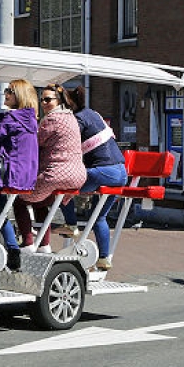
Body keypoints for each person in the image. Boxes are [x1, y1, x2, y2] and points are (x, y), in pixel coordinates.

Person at [59, 86, 127, 270]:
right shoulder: (93, 114)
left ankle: (71, 225)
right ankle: (104, 259)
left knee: (61, 185)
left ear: (68, 104)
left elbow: (67, 145)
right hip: (121, 172)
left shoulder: (77, 119)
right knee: (98, 216)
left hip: (103, 170)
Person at [13, 84, 86, 253]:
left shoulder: (52, 119)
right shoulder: (71, 118)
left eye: (48, 100)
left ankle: (28, 243)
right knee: (40, 203)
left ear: (59, 101)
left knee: (19, 201)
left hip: (57, 174)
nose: (44, 103)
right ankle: (44, 245)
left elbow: (34, 143)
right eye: (42, 100)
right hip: (78, 175)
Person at [0, 79, 40, 271]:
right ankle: (12, 246)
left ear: (20, 96)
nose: (5, 94)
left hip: (8, 173)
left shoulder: (12, 118)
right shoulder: (31, 119)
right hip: (25, 175)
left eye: (10, 91)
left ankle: (12, 248)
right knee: (2, 208)